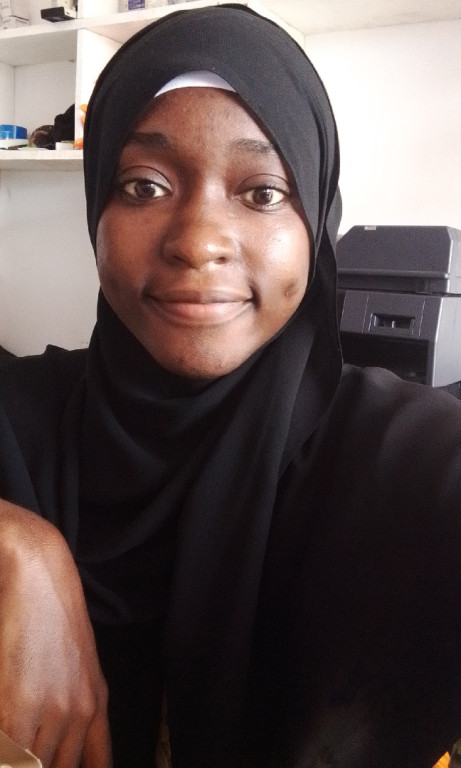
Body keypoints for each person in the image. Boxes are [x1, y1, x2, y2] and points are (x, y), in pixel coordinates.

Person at [0, 4, 460, 767]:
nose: (197, 241)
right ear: (95, 209)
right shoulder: (23, 422)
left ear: (315, 219)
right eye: (144, 186)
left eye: (262, 193)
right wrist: (18, 547)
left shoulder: (399, 460)